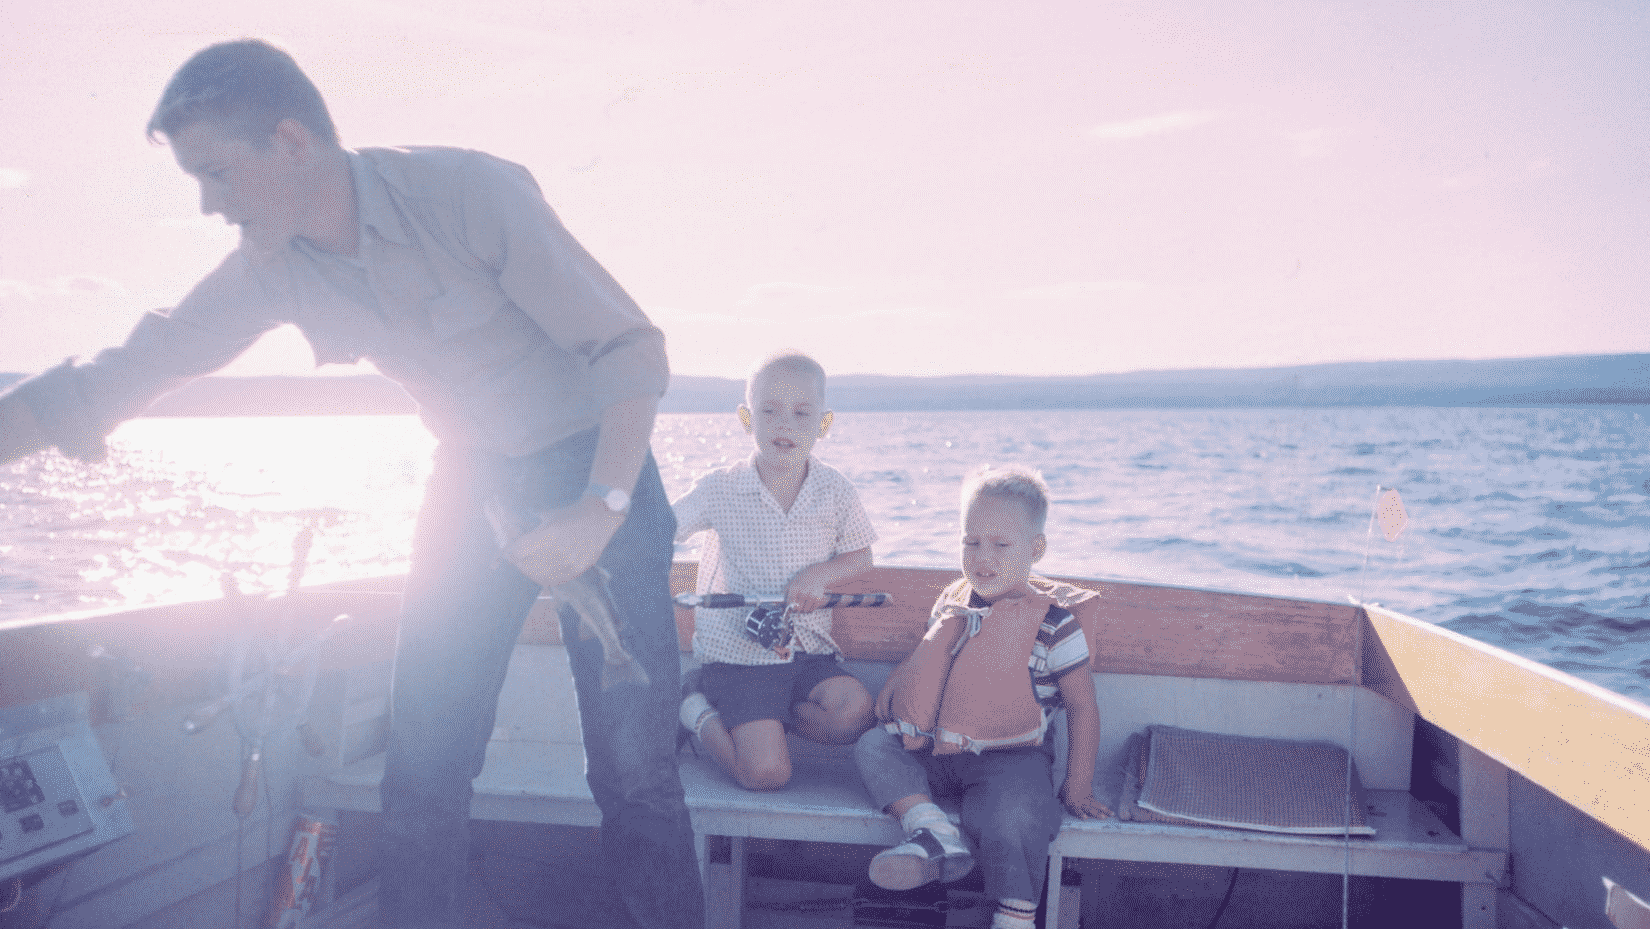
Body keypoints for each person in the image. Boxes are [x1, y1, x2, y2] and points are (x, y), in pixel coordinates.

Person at [0, 39, 702, 929]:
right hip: (469, 480)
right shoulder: (272, 266)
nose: (208, 205)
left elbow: (630, 348)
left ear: (292, 140)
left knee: (634, 772)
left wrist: (599, 509)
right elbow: (122, 372)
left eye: (215, 173)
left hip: (598, 466)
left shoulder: (469, 193)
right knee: (421, 770)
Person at [854, 466, 1111, 929]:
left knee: (1016, 816)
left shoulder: (1056, 626)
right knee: (874, 745)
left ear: (1036, 550)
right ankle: (934, 833)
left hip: (1012, 759)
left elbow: (1081, 706)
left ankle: (1014, 914)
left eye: (1001, 545)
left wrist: (1079, 784)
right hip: (934, 749)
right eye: (971, 542)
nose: (982, 557)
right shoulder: (951, 606)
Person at [673, 351, 877, 789]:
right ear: (748, 419)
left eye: (802, 413)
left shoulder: (836, 490)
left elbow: (862, 556)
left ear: (823, 425)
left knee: (855, 715)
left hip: (808, 654)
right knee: (765, 774)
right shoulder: (720, 487)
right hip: (740, 660)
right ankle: (693, 707)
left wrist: (817, 577)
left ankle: (764, 722)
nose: (785, 425)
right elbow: (663, 529)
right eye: (770, 411)